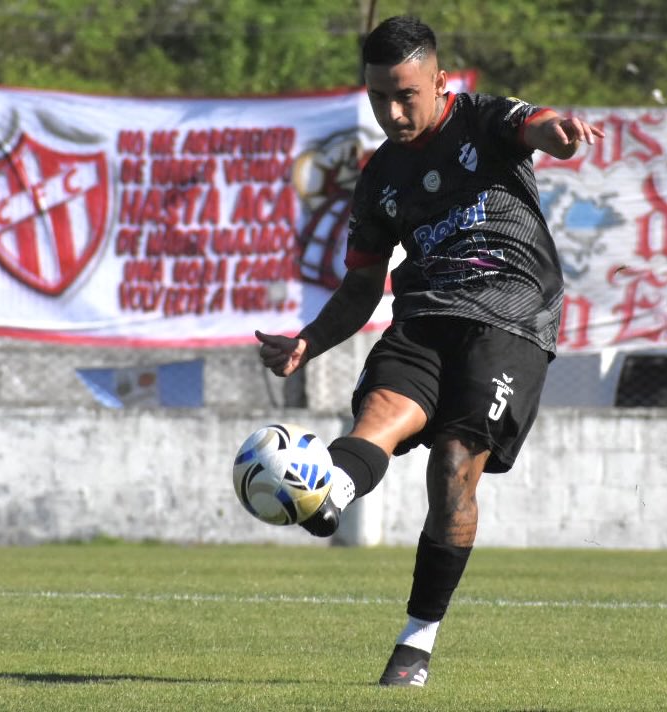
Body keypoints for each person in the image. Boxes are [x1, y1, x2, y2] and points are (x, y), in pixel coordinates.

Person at [255, 15, 603, 688]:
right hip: (424, 317)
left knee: (451, 464)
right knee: (377, 421)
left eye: (405, 94)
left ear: (440, 81)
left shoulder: (481, 121)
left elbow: (533, 123)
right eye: (378, 96)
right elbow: (361, 287)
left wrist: (556, 132)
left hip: (510, 317)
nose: (391, 111)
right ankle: (330, 492)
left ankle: (417, 642)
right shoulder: (380, 176)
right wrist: (309, 341)